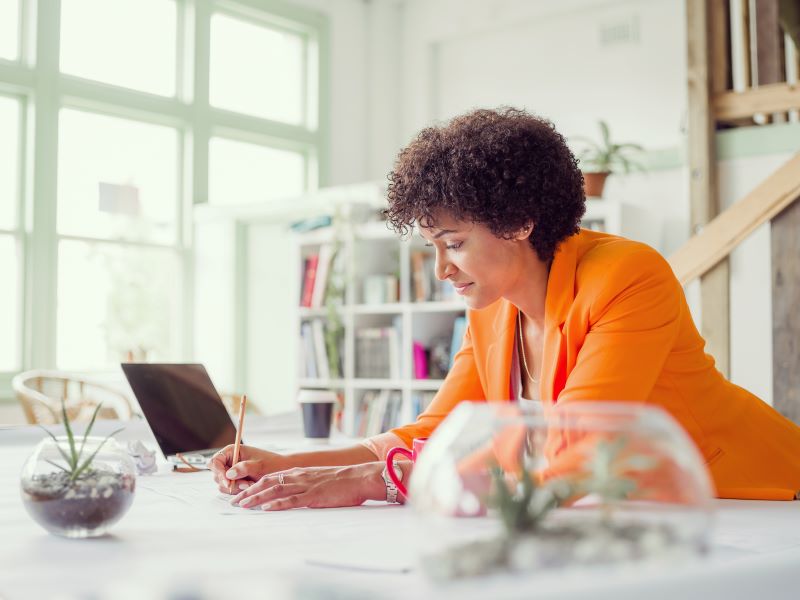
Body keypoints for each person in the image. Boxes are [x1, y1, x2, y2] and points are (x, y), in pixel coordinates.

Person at [210, 107, 800, 511]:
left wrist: (375, 481)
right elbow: (435, 431)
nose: (442, 270)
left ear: (520, 221)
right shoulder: (493, 307)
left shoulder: (626, 275)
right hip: (636, 515)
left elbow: (574, 446)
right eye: (433, 248)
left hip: (755, 502)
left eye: (455, 244)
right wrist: (291, 466)